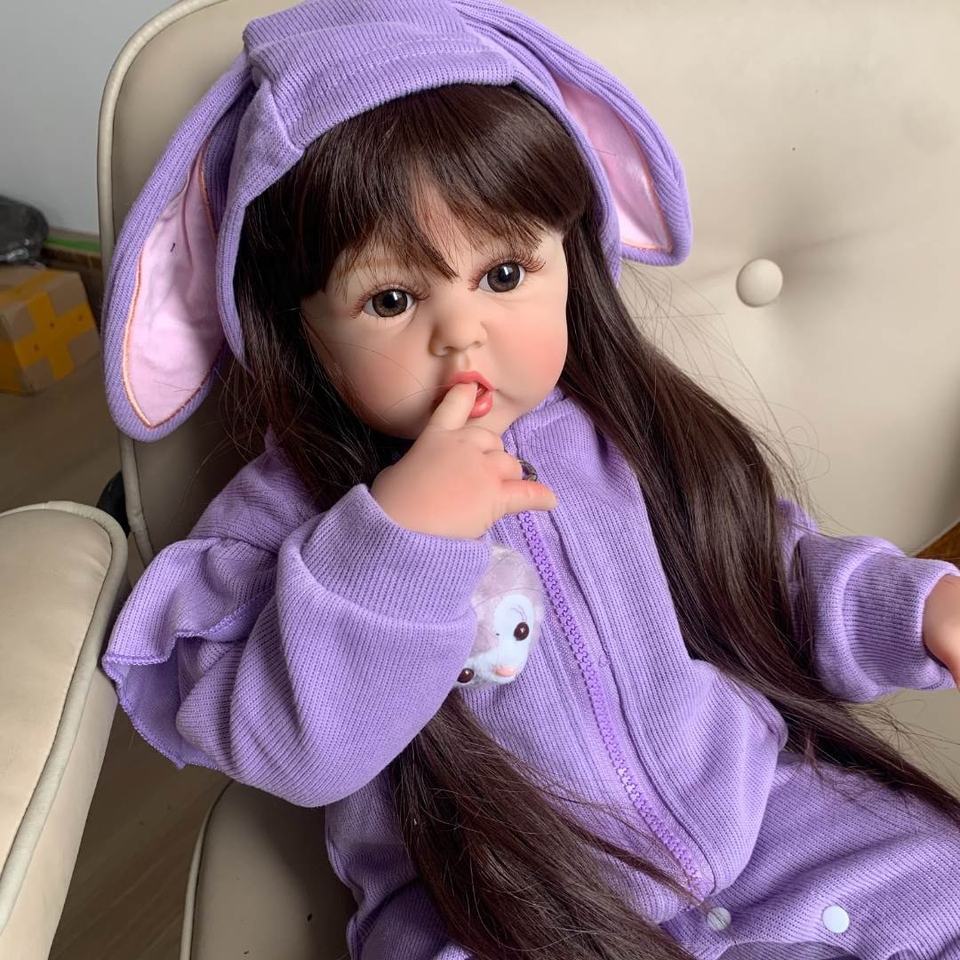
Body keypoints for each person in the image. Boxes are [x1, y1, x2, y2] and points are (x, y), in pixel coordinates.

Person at [98, 1, 960, 957]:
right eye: (392, 298)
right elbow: (292, 746)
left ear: (570, 259)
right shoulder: (276, 518)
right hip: (497, 906)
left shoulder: (626, 432)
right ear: (301, 326)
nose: (462, 335)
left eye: (504, 274)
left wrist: (912, 608)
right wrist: (400, 542)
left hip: (773, 825)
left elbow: (763, 576)